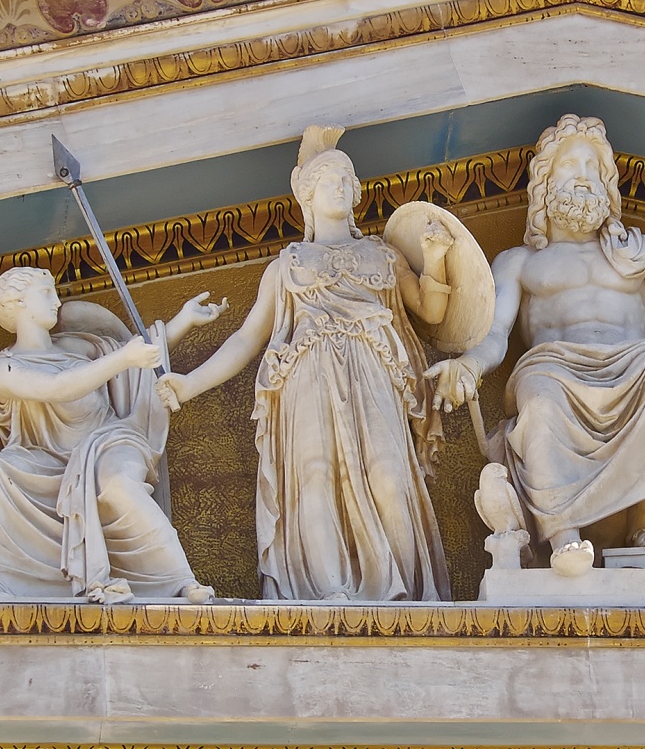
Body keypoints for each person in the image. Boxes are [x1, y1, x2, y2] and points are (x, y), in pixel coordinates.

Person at [433, 113, 645, 572]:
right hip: (556, 369)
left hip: (635, 366)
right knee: (540, 395)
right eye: (569, 166)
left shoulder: (636, 254)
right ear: (544, 184)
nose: (583, 177)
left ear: (607, 186)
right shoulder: (520, 262)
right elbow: (494, 334)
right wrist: (470, 366)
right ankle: (564, 537)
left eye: (592, 168)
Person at [158, 127, 452, 601]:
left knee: (389, 475)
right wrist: (189, 384)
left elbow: (431, 311)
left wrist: (435, 259)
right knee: (313, 476)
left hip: (373, 372)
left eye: (347, 179)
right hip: (307, 375)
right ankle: (328, 591)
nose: (340, 186)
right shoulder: (287, 265)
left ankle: (408, 597)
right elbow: (246, 338)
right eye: (329, 179)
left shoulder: (383, 255)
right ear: (308, 196)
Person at [0, 266, 223, 602]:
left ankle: (180, 581)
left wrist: (183, 320)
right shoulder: (2, 369)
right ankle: (17, 583)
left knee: (117, 484)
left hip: (107, 442)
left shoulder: (77, 346)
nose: (57, 302)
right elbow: (58, 387)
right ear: (19, 303)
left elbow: (141, 356)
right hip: (44, 462)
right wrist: (123, 358)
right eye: (46, 293)